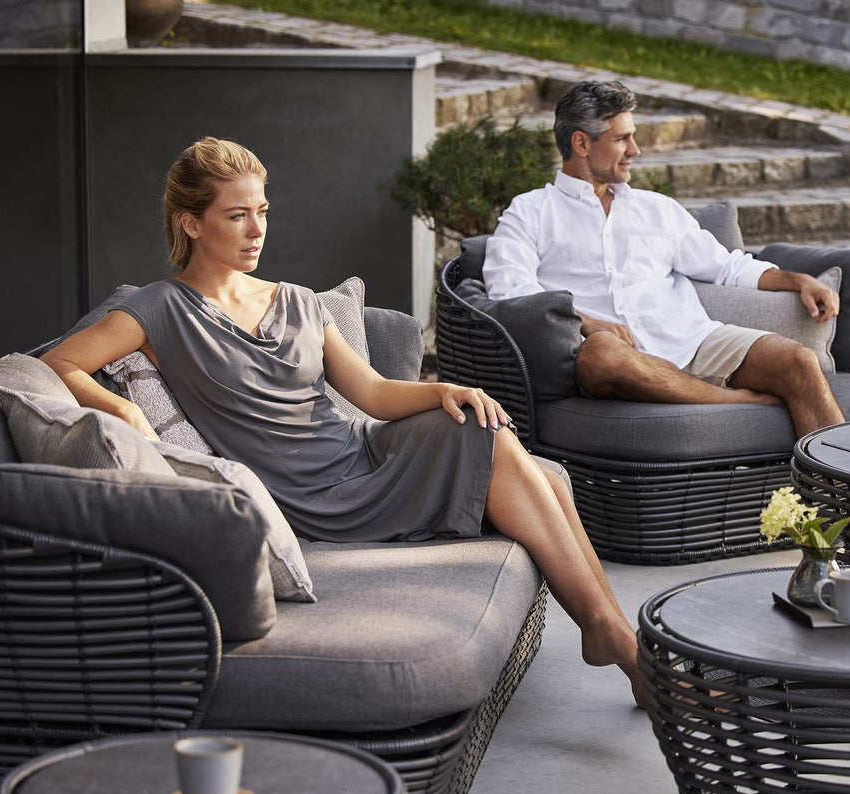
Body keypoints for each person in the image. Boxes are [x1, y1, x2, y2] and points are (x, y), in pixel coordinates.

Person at [40, 137, 646, 708]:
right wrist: (122, 408)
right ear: (191, 223)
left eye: (262, 212)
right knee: (508, 454)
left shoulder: (298, 300)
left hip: (368, 449)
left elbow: (375, 394)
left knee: (492, 434)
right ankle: (619, 642)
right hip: (314, 494)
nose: (256, 231)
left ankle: (612, 632)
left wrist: (448, 389)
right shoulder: (157, 309)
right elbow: (53, 365)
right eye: (236, 216)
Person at [483, 80, 845, 439]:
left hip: (692, 341)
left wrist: (798, 280)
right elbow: (510, 290)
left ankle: (843, 477)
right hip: (619, 361)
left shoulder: (657, 208)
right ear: (581, 143)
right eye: (622, 138)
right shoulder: (530, 212)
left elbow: (726, 266)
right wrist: (586, 322)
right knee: (601, 353)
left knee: (798, 360)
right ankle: (732, 400)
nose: (635, 150)